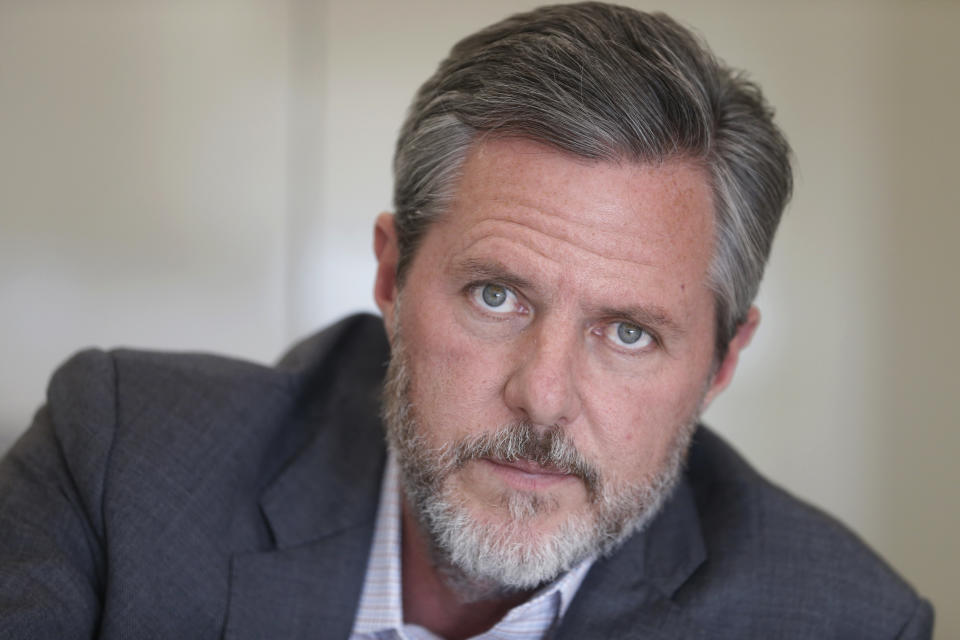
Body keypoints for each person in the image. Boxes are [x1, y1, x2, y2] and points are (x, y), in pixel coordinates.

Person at [0, 3, 933, 639]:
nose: (544, 395)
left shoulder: (839, 619)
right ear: (393, 275)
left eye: (629, 332)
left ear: (724, 362)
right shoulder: (121, 463)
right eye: (498, 296)